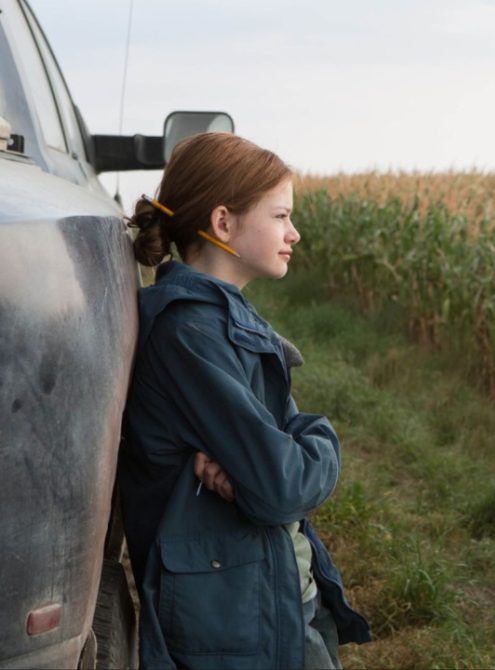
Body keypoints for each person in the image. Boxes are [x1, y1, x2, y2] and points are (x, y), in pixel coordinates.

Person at [119, 132, 370, 669]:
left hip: (273, 587)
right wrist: (316, 441)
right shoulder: (192, 335)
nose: (294, 233)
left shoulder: (221, 319)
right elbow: (283, 486)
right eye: (281, 216)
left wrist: (293, 450)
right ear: (224, 223)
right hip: (239, 618)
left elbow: (278, 469)